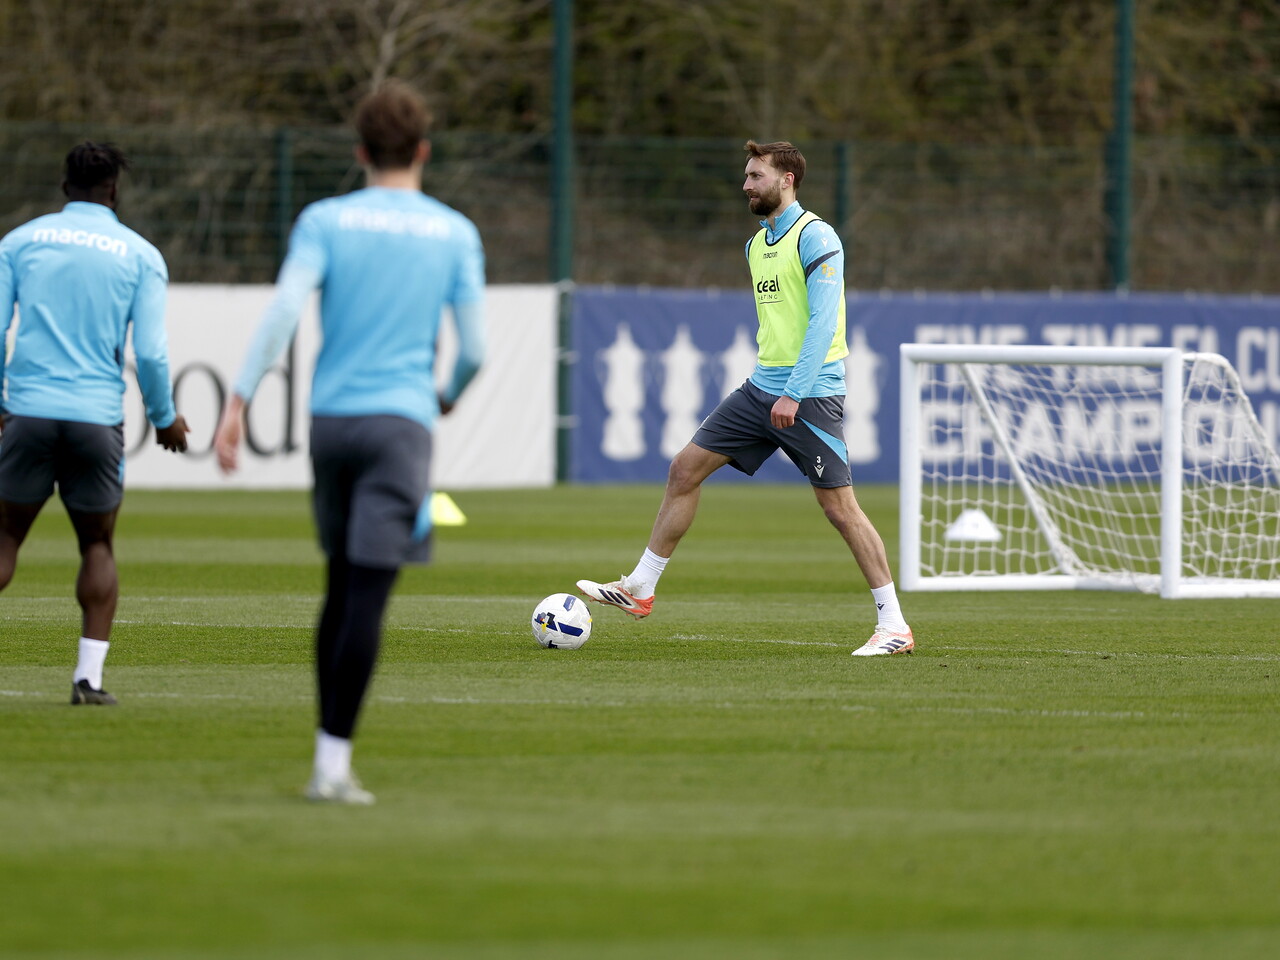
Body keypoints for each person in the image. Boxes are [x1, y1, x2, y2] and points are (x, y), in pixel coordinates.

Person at [213, 80, 485, 805]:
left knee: (338, 583)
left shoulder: (324, 220)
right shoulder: (454, 232)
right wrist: (445, 395)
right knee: (367, 592)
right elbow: (474, 350)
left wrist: (238, 400)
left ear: (361, 152)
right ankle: (331, 766)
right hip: (400, 424)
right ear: (423, 150)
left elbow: (282, 311)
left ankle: (326, 758)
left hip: (331, 423)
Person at [577, 140, 914, 657]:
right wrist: (773, 387)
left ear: (787, 180)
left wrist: (794, 393)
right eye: (746, 175)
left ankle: (894, 626)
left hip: (809, 394)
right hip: (760, 388)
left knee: (840, 508)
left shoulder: (817, 236)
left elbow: (823, 324)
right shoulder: (756, 245)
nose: (746, 185)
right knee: (683, 470)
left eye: (756, 176)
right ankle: (640, 587)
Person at [0, 141, 190, 705]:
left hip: (28, 413)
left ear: (65, 187)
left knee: (5, 537)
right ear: (114, 190)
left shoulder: (20, 242)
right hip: (95, 419)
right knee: (97, 545)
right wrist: (164, 418)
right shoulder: (141, 255)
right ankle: (89, 680)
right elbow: (150, 353)